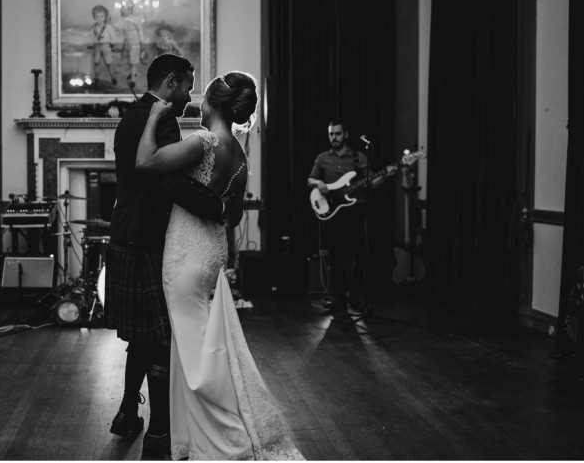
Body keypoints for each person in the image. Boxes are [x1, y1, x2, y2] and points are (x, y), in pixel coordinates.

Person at [136, 72, 304, 460]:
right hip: (210, 252)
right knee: (197, 345)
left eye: (202, 97)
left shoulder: (204, 141)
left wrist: (151, 118)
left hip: (185, 256)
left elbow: (145, 163)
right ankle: (190, 440)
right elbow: (233, 218)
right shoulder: (241, 155)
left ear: (211, 103)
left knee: (196, 361)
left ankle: (230, 443)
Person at [104, 54, 224, 457]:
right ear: (171, 81)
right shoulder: (164, 119)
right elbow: (167, 183)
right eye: (188, 85)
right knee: (158, 338)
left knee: (140, 335)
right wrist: (217, 207)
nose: (190, 95)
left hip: (123, 234)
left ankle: (125, 414)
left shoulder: (130, 115)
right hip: (148, 241)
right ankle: (158, 435)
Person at [307, 122, 395, 313]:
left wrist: (386, 175)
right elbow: (310, 179)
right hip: (332, 212)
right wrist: (319, 183)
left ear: (345, 134)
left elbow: (371, 183)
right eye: (331, 134)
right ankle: (339, 297)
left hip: (355, 211)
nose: (334, 138)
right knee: (335, 257)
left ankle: (356, 297)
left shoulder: (359, 157)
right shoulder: (323, 158)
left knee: (359, 257)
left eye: (337, 134)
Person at [90, 5, 118, 86]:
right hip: (97, 46)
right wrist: (95, 43)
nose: (99, 18)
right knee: (96, 62)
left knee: (109, 63)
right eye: (97, 16)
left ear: (105, 17)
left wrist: (112, 44)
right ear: (94, 17)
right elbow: (92, 37)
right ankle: (96, 78)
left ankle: (113, 78)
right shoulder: (93, 28)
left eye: (102, 16)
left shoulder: (108, 27)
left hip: (106, 46)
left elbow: (113, 37)